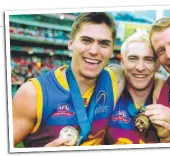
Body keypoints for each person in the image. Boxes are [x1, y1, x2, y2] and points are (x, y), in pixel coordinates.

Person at [12, 12, 125, 147]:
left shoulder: (115, 79)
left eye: (104, 43)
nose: (94, 51)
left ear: (112, 50)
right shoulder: (33, 93)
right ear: (71, 43)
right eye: (86, 40)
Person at [106, 31, 170, 144]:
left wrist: (165, 138)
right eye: (133, 58)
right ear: (123, 63)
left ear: (157, 65)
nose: (140, 67)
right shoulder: (108, 95)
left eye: (148, 59)